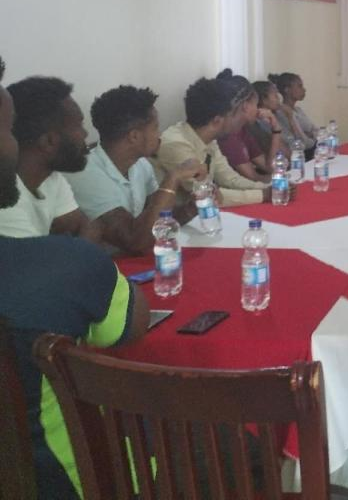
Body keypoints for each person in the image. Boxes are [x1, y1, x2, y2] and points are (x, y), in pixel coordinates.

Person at [0, 56, 149, 499]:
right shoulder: (58, 266)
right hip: (71, 479)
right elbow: (131, 326)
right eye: (6, 131)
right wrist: (76, 259)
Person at [65, 85, 202, 256]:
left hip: (132, 261)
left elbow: (159, 219)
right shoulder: (85, 172)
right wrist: (172, 179)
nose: (159, 135)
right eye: (155, 128)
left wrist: (192, 207)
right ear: (134, 136)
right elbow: (134, 240)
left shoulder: (141, 164)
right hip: (103, 265)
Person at [0, 76, 102, 242]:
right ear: (49, 142)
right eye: (79, 125)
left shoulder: (50, 178)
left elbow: (89, 226)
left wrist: (74, 251)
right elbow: (32, 258)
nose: (85, 134)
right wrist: (78, 251)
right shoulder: (4, 200)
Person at [156, 76, 270, 207]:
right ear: (217, 121)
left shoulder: (209, 139)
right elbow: (204, 194)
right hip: (177, 217)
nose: (240, 118)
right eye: (235, 114)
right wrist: (263, 195)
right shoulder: (176, 144)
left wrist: (268, 187)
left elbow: (230, 179)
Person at [215, 70, 285, 181]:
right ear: (245, 106)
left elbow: (269, 167)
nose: (258, 109)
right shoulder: (228, 136)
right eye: (256, 105)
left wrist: (276, 129)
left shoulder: (242, 130)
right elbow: (253, 178)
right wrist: (282, 178)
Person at [267, 72, 316, 150]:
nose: (304, 89)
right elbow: (304, 143)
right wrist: (309, 135)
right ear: (287, 90)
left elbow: (317, 131)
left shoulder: (298, 110)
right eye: (299, 86)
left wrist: (311, 134)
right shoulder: (282, 114)